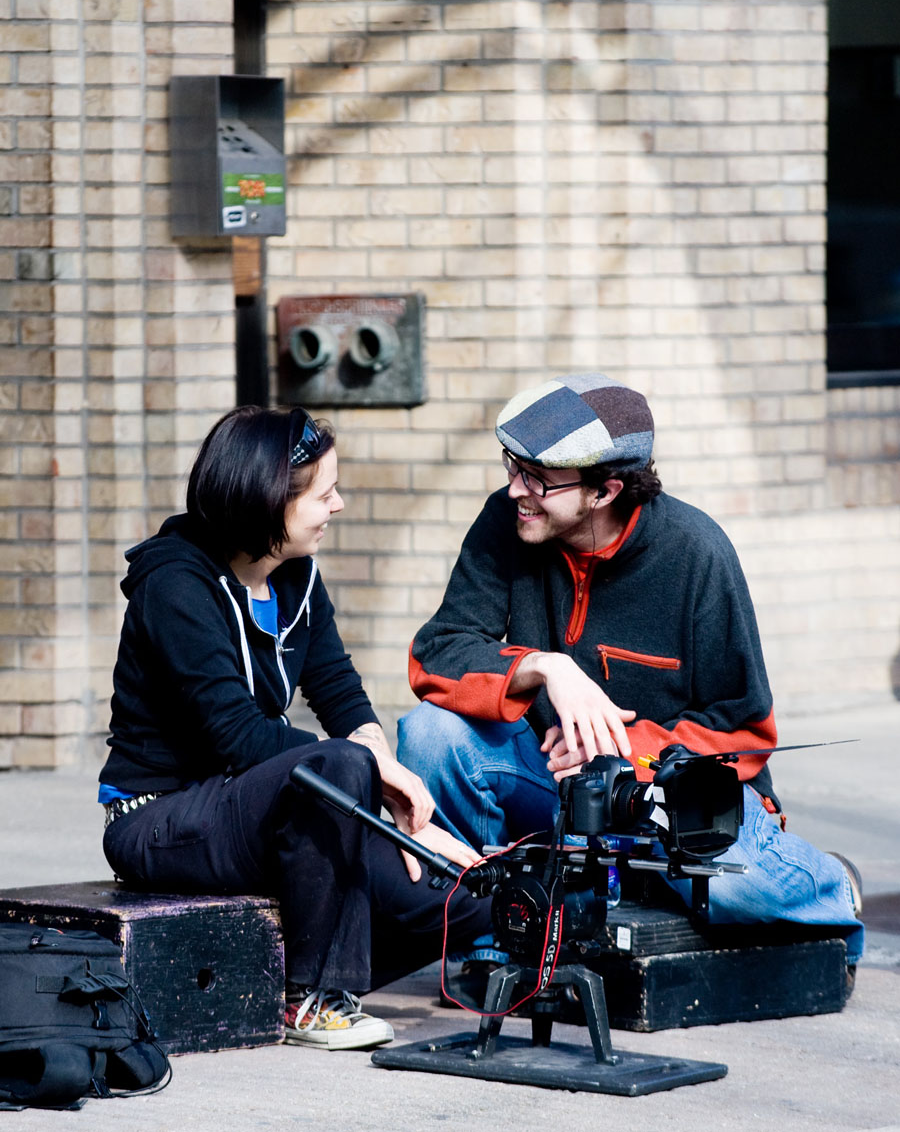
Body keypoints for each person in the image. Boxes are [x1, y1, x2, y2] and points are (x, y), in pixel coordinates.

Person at [397, 372, 864, 977]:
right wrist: (544, 668)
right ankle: (492, 936)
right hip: (550, 780)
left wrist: (614, 755)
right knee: (431, 734)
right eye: (512, 467)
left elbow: (742, 730)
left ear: (605, 490)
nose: (516, 490)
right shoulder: (507, 524)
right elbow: (438, 653)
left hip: (668, 795)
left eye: (536, 477)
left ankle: (830, 882)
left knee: (738, 891)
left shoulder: (698, 553)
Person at [98, 405, 489, 1050]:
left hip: (262, 810)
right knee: (337, 766)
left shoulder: (295, 574)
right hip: (160, 818)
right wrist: (374, 773)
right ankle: (308, 998)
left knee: (459, 900)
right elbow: (241, 737)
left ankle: (271, 973)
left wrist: (414, 829)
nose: (338, 504)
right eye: (324, 492)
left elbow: (338, 689)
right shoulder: (175, 585)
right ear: (265, 503)